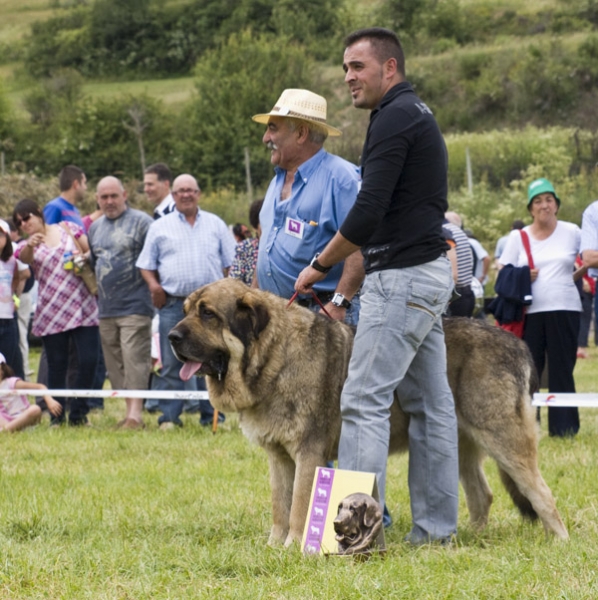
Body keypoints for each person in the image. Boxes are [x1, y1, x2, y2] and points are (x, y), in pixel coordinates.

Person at [295, 27, 458, 545]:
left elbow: (368, 212)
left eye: (357, 67)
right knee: (431, 407)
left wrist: (319, 264)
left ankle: (353, 536)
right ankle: (435, 533)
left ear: (390, 68)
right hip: (427, 274)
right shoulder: (416, 114)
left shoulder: (392, 118)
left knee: (362, 399)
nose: (348, 77)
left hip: (403, 278)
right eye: (344, 68)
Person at [252, 88, 363, 324]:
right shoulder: (277, 180)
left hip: (322, 314)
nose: (265, 138)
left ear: (301, 133)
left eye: (272, 128)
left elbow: (359, 244)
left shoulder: (340, 178)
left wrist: (339, 303)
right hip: (279, 316)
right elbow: (266, 247)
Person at [137, 173, 236, 430]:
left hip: (210, 310)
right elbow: (145, 265)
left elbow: (231, 265)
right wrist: (154, 286)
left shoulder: (216, 224)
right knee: (171, 363)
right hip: (174, 305)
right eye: (180, 190)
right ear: (174, 195)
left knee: (213, 360)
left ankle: (213, 417)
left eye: (190, 190)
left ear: (198, 193)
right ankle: (169, 418)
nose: (185, 195)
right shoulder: (160, 227)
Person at [499, 178, 581, 437]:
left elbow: (588, 259)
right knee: (530, 371)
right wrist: (524, 276)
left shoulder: (573, 231)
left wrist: (574, 278)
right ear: (531, 209)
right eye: (538, 201)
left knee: (562, 369)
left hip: (566, 308)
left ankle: (564, 428)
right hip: (530, 313)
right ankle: (528, 426)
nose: (544, 205)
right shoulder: (518, 236)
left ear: (556, 205)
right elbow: (503, 272)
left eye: (549, 200)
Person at [13, 199, 100, 426]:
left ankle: (79, 413)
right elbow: (24, 259)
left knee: (89, 360)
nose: (24, 224)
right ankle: (57, 416)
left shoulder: (68, 228)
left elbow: (91, 250)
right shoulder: (27, 245)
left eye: (27, 217)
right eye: (20, 222)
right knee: (57, 365)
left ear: (38, 213)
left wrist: (81, 258)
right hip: (52, 310)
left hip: (83, 306)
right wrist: (31, 244)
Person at [88, 176, 154, 429]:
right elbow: (95, 262)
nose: (109, 201)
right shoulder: (95, 228)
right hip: (106, 308)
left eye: (114, 196)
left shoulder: (142, 222)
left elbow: (152, 259)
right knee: (115, 363)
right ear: (97, 199)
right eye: (104, 197)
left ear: (124, 195)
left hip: (136, 305)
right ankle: (129, 414)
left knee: (134, 358)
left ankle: (136, 416)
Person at [0, 352, 62, 432]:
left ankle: (5, 431)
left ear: (2, 371)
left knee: (35, 409)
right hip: (4, 420)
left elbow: (40, 387)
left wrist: (49, 400)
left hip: (24, 417)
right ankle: (8, 430)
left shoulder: (11, 383)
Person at [6, 218, 35, 378]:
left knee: (20, 336)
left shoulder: (14, 249)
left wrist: (15, 297)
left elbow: (25, 273)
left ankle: (23, 373)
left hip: (19, 300)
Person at [0, 219, 26, 379]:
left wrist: (15, 297)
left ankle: (7, 402)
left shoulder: (11, 258)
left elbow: (22, 275)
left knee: (7, 363)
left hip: (7, 319)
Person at [443, 212, 474, 317]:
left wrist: (448, 298)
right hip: (467, 291)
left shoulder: (445, 232)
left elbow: (453, 273)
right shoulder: (458, 231)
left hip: (455, 295)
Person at [229, 199, 263, 286]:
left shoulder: (284, 246)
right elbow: (233, 283)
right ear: (255, 227)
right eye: (264, 223)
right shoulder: (245, 248)